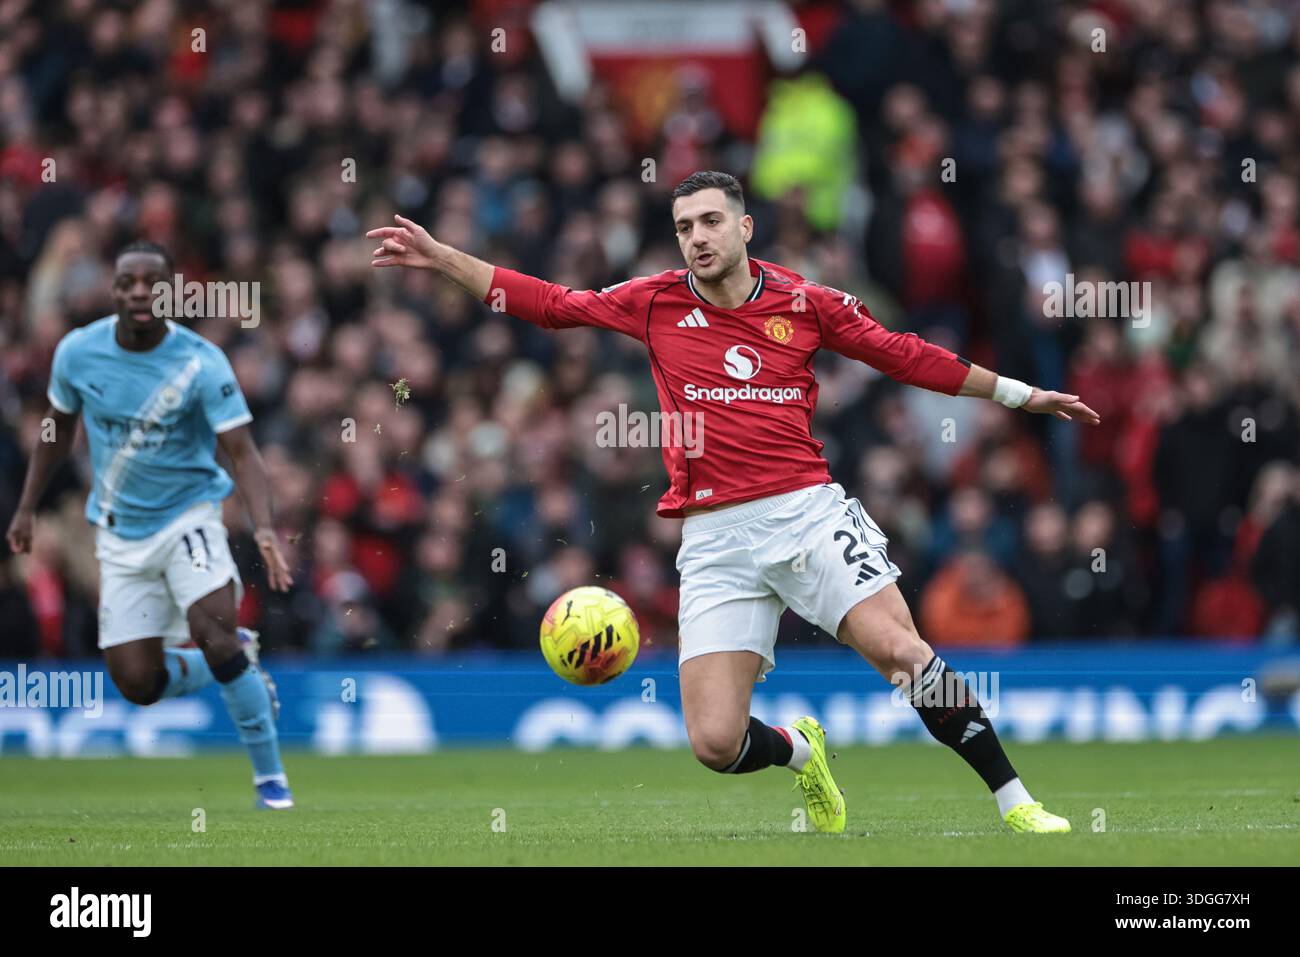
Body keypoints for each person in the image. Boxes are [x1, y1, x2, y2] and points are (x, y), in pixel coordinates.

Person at [367, 171, 1100, 833]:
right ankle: (799, 753)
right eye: (685, 227)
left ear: (744, 227)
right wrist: (446, 258)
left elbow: (904, 352)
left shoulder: (806, 302)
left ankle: (1017, 801)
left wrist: (1020, 394)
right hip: (714, 537)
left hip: (805, 512)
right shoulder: (653, 302)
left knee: (903, 653)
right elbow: (551, 305)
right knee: (715, 743)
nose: (697, 238)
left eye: (711, 221)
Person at [6, 240, 297, 810]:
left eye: (151, 282)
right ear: (111, 291)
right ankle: (233, 664)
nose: (139, 291)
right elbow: (56, 430)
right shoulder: (77, 354)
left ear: (169, 292)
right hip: (118, 533)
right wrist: (27, 506)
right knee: (137, 684)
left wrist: (263, 527)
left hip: (189, 516)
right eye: (127, 282)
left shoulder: (202, 362)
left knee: (211, 628)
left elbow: (242, 452)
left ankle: (271, 780)